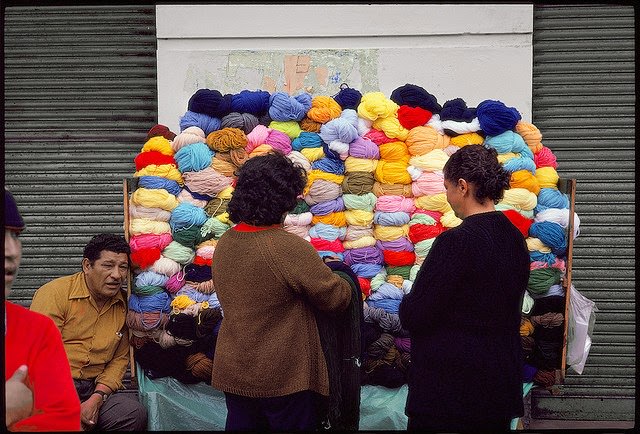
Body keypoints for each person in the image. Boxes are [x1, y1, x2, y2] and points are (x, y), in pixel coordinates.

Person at [211, 151, 357, 431]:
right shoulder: (286, 247)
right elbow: (335, 298)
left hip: (236, 369)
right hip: (281, 375)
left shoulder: (226, 242)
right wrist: (339, 274)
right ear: (284, 198)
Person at [398, 144, 531, 432]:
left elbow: (416, 314)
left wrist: (405, 301)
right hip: (497, 389)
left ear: (462, 186)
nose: (446, 198)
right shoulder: (514, 239)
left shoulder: (456, 242)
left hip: (450, 394)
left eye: (447, 188)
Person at [30, 233, 147, 431]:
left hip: (92, 389)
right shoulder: (55, 294)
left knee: (132, 413)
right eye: (108, 266)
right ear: (87, 266)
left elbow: (119, 360)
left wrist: (97, 398)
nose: (117, 275)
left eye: (123, 267)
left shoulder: (125, 304)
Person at [4, 189, 82, 431]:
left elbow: (63, 421)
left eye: (16, 236)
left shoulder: (37, 330)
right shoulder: (56, 293)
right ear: (87, 266)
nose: (12, 251)